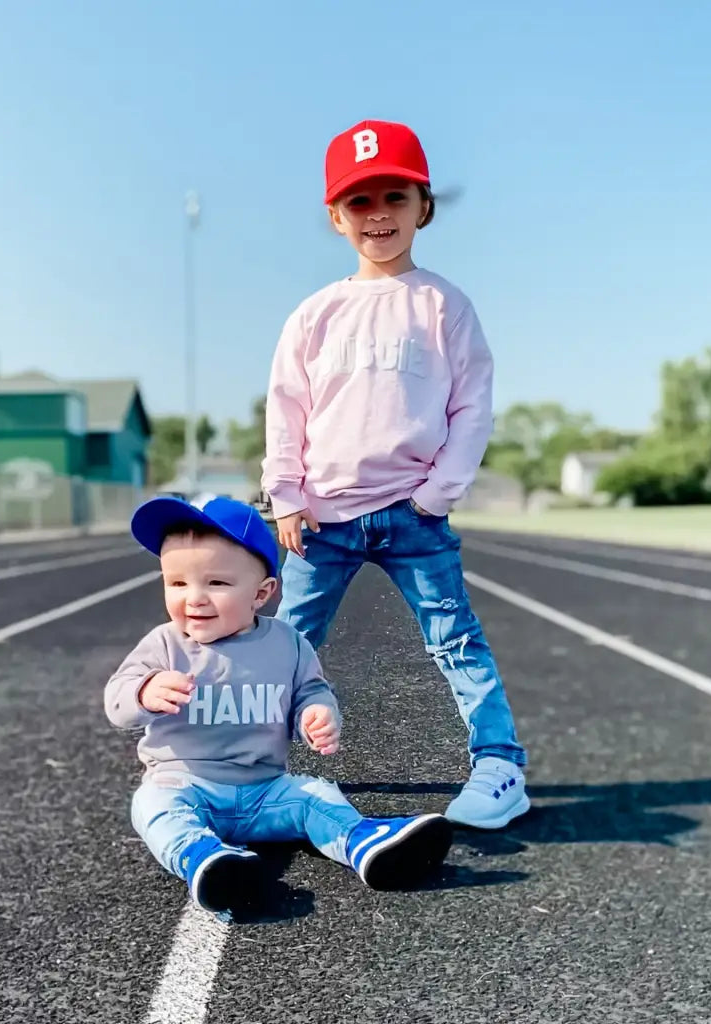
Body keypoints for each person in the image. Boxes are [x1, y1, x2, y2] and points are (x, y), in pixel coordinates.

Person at [261, 118, 530, 830]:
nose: (377, 214)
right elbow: (286, 410)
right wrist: (285, 496)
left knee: (455, 638)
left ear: (423, 206)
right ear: (335, 216)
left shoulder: (444, 305)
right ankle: (248, 766)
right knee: (284, 643)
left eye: (393, 197)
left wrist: (438, 491)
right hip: (326, 518)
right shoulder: (315, 314)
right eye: (359, 202)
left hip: (416, 516)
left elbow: (472, 403)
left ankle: (500, 764)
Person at [103, 494, 454, 914]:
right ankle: (205, 860)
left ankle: (362, 843)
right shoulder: (164, 644)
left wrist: (317, 714)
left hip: (264, 792)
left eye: (216, 583)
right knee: (150, 805)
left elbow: (312, 691)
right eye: (177, 583)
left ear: (262, 593)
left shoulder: (288, 643)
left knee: (315, 795)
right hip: (184, 785)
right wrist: (145, 691)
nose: (194, 598)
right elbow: (117, 702)